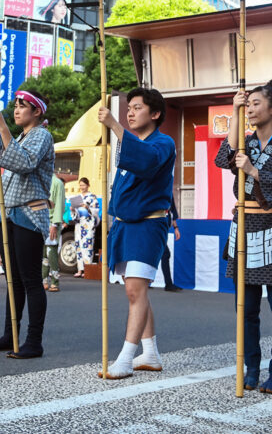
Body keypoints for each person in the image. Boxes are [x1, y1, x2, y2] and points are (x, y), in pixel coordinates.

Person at [216, 80, 272, 394]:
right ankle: (251, 368)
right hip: (244, 225)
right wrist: (235, 111)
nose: (251, 109)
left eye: (255, 104)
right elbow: (221, 158)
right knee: (246, 309)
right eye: (248, 104)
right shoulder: (244, 143)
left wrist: (254, 171)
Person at [97, 88, 175, 379]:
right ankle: (150, 353)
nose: (129, 113)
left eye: (137, 108)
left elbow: (145, 163)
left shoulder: (163, 142)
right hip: (125, 225)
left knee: (134, 290)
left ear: (154, 114)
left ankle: (126, 357)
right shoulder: (129, 144)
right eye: (128, 108)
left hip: (148, 224)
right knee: (136, 290)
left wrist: (115, 127)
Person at [0, 89, 55, 359]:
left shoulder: (42, 135)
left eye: (22, 106)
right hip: (10, 214)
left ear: (36, 111)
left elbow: (24, 163)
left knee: (31, 280)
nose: (16, 111)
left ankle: (34, 341)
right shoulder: (24, 136)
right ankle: (10, 333)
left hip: (29, 214)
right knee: (13, 281)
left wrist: (2, 128)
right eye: (15, 106)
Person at [43, 173, 65, 292]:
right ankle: (44, 280)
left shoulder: (57, 183)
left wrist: (55, 224)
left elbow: (59, 205)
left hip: (52, 222)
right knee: (43, 254)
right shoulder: (41, 179)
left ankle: (55, 281)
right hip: (41, 220)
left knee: (51, 252)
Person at [73, 177, 99, 278]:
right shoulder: (77, 197)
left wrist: (88, 208)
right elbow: (74, 214)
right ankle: (80, 269)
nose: (82, 187)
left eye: (83, 185)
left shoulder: (92, 197)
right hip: (79, 224)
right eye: (80, 185)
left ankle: (87, 269)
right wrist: (73, 209)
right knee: (78, 246)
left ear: (88, 185)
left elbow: (96, 211)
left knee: (87, 247)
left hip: (88, 225)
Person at [160, 203, 182, 292]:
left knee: (162, 254)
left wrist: (176, 227)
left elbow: (171, 211)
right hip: (154, 228)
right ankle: (168, 284)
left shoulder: (168, 193)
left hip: (162, 228)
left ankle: (144, 281)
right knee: (165, 254)